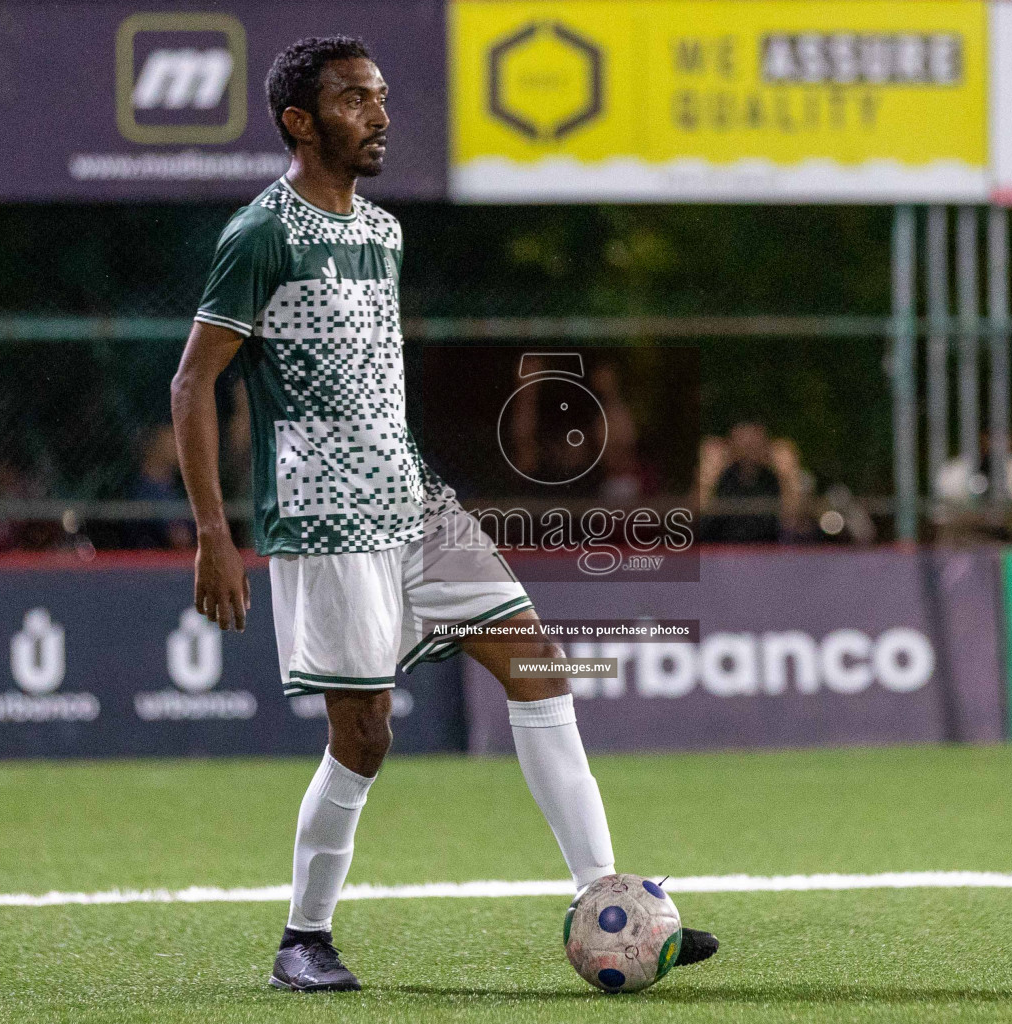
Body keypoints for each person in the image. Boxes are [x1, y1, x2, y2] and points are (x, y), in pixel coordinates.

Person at [169, 37, 718, 993]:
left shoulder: (381, 231)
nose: (380, 115)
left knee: (539, 670)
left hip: (416, 503)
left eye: (381, 97)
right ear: (300, 122)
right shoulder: (262, 235)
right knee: (365, 737)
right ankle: (304, 937)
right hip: (327, 521)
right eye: (354, 101)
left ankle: (607, 898)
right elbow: (192, 383)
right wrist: (215, 535)